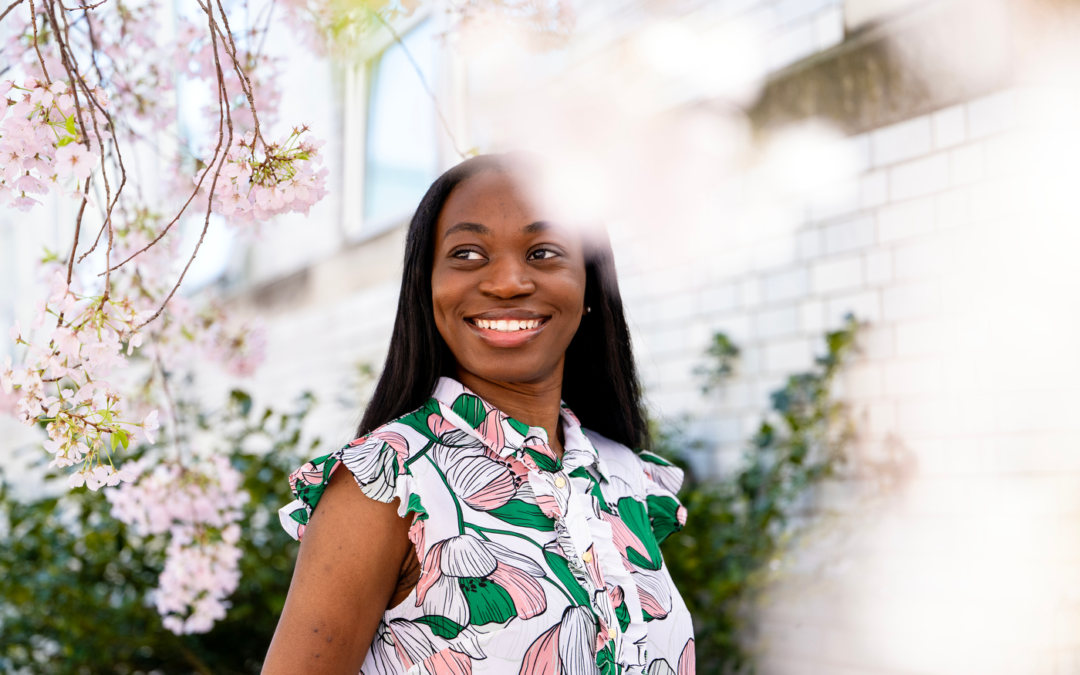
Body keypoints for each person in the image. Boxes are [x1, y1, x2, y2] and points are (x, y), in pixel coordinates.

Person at [262, 153, 694, 675]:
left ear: (588, 289)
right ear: (427, 287)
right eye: (467, 253)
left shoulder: (625, 473)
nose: (508, 282)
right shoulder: (387, 483)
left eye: (543, 252)